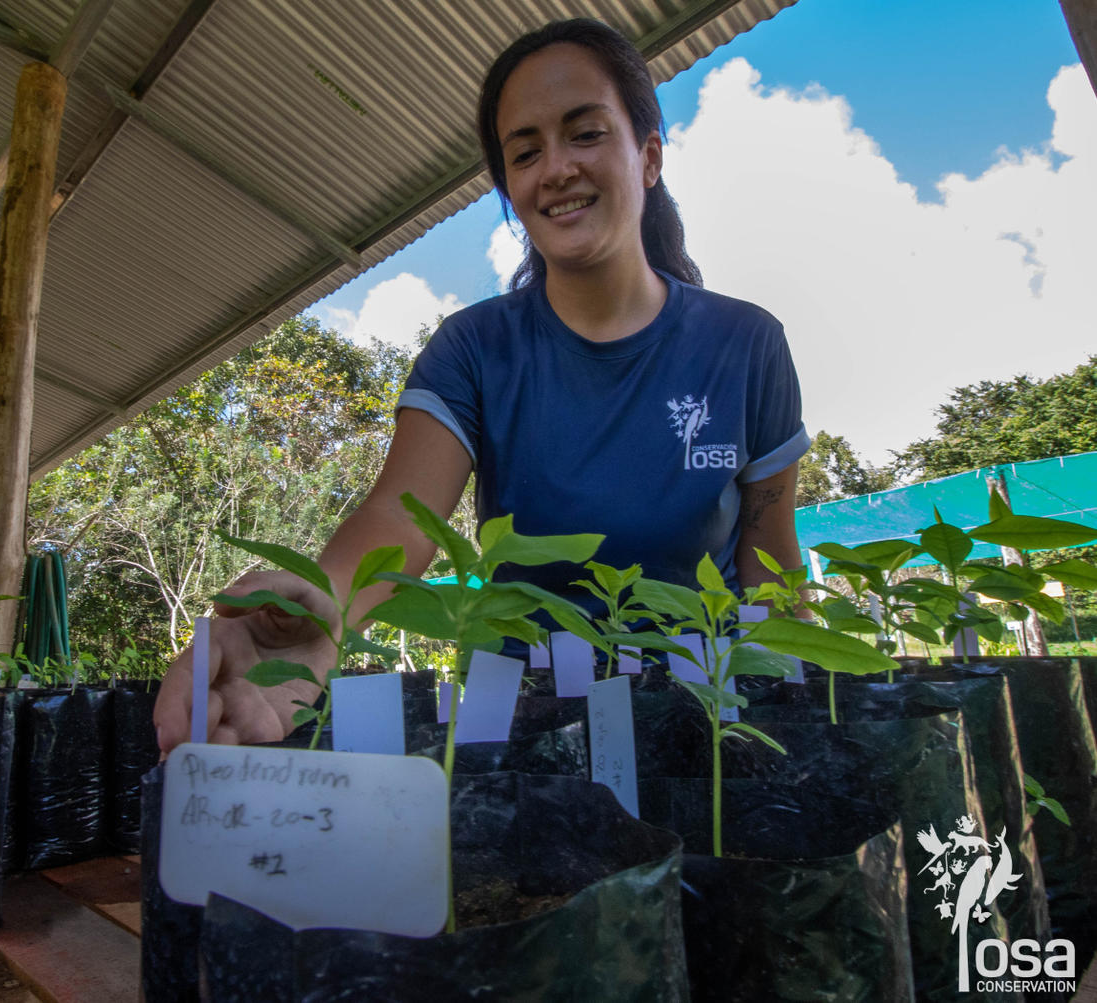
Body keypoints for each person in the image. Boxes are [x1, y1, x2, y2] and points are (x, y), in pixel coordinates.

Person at [152, 18, 809, 753]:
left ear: (649, 156)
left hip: (706, 726)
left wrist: (811, 709)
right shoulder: (474, 350)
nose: (555, 168)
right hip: (528, 731)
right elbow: (399, 521)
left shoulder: (746, 346)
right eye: (524, 152)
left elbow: (770, 561)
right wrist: (326, 617)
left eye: (585, 133)